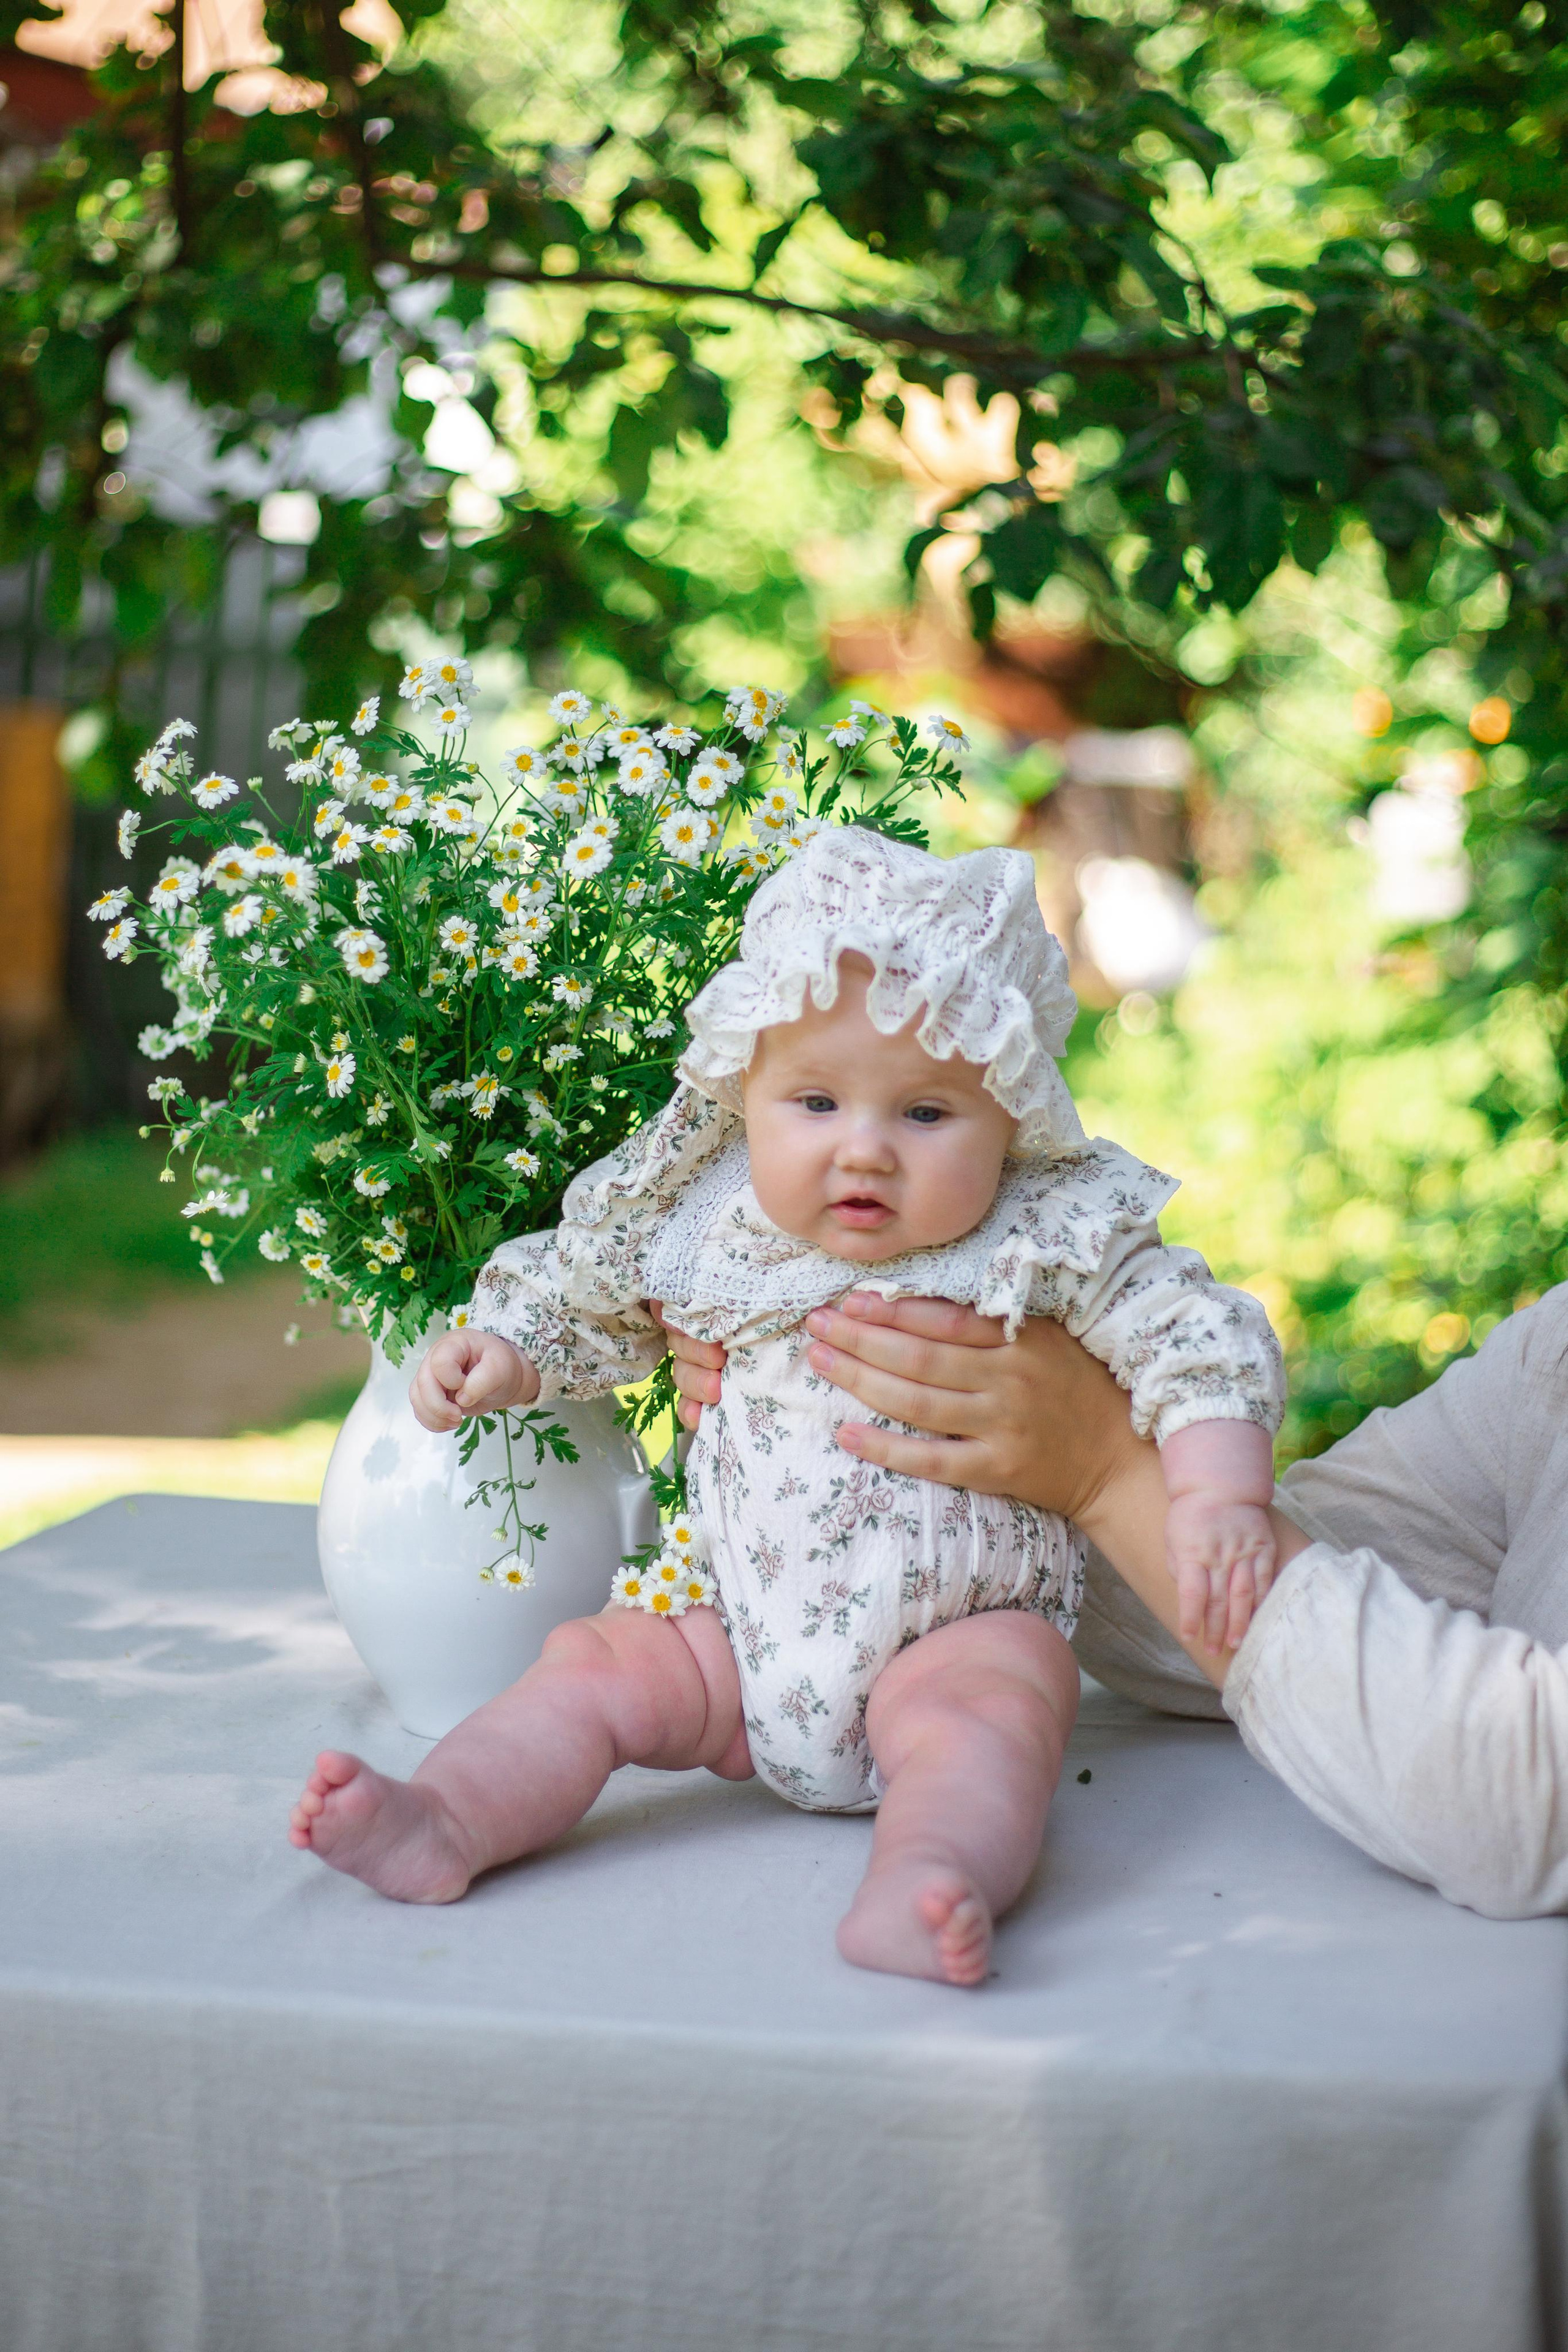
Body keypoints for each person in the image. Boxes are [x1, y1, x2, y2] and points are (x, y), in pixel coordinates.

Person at [290, 827, 1283, 1985]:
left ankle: (930, 1876)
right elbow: (587, 1294)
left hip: (958, 1629)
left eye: (926, 1115)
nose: (864, 1151)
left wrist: (1216, 1490)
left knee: (993, 1724)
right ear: (743, 1093)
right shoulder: (707, 1218)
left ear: (1011, 1114)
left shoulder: (1047, 1227)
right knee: (590, 1669)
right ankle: (447, 1818)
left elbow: (1192, 1331)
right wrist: (507, 1355)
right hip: (732, 1630)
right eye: (815, 1100)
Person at [657, 1281, 1568, 1921]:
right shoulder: (1547, 1365)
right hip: (773, 1678)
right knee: (604, 1674)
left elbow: (1520, 1803)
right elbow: (1264, 1608)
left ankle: (923, 1885)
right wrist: (909, 1406)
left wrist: (1099, 1461)